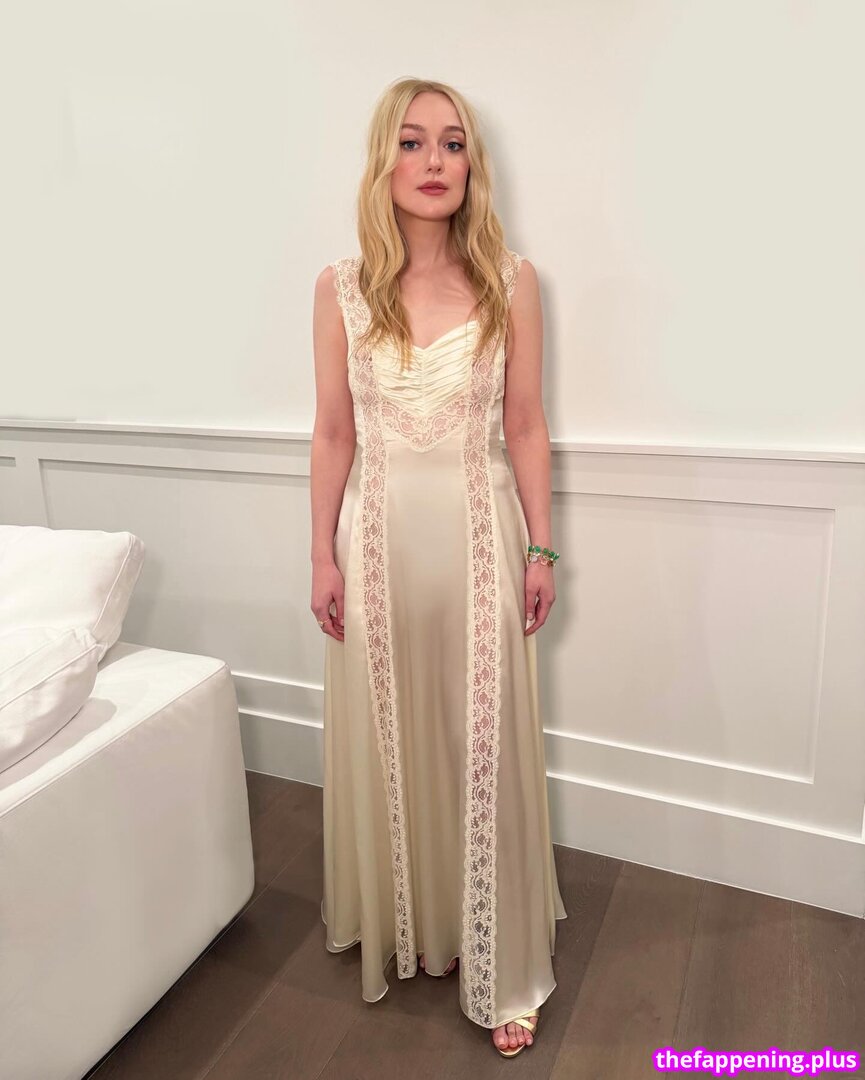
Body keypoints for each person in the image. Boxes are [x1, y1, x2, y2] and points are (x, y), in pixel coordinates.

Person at [310, 76, 567, 1058]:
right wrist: (320, 554)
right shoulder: (340, 288)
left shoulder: (511, 280)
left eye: (452, 144)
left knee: (480, 744)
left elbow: (526, 425)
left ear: (471, 166)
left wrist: (541, 545)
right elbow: (333, 433)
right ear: (384, 160)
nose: (433, 162)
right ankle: (422, 927)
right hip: (375, 548)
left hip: (479, 545)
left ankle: (504, 962)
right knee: (394, 738)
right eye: (413, 142)